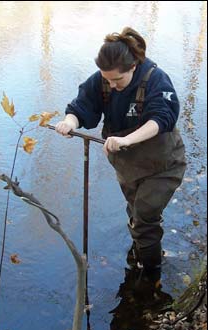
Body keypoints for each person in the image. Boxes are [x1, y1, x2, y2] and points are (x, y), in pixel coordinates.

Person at [55, 26, 186, 281]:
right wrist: (70, 122)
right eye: (107, 80)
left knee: (145, 216)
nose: (112, 85)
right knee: (134, 211)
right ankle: (138, 256)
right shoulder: (103, 80)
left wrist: (126, 139)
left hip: (163, 164)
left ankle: (150, 276)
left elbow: (162, 118)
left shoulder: (156, 79)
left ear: (133, 67)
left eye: (118, 80)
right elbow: (82, 106)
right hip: (128, 166)